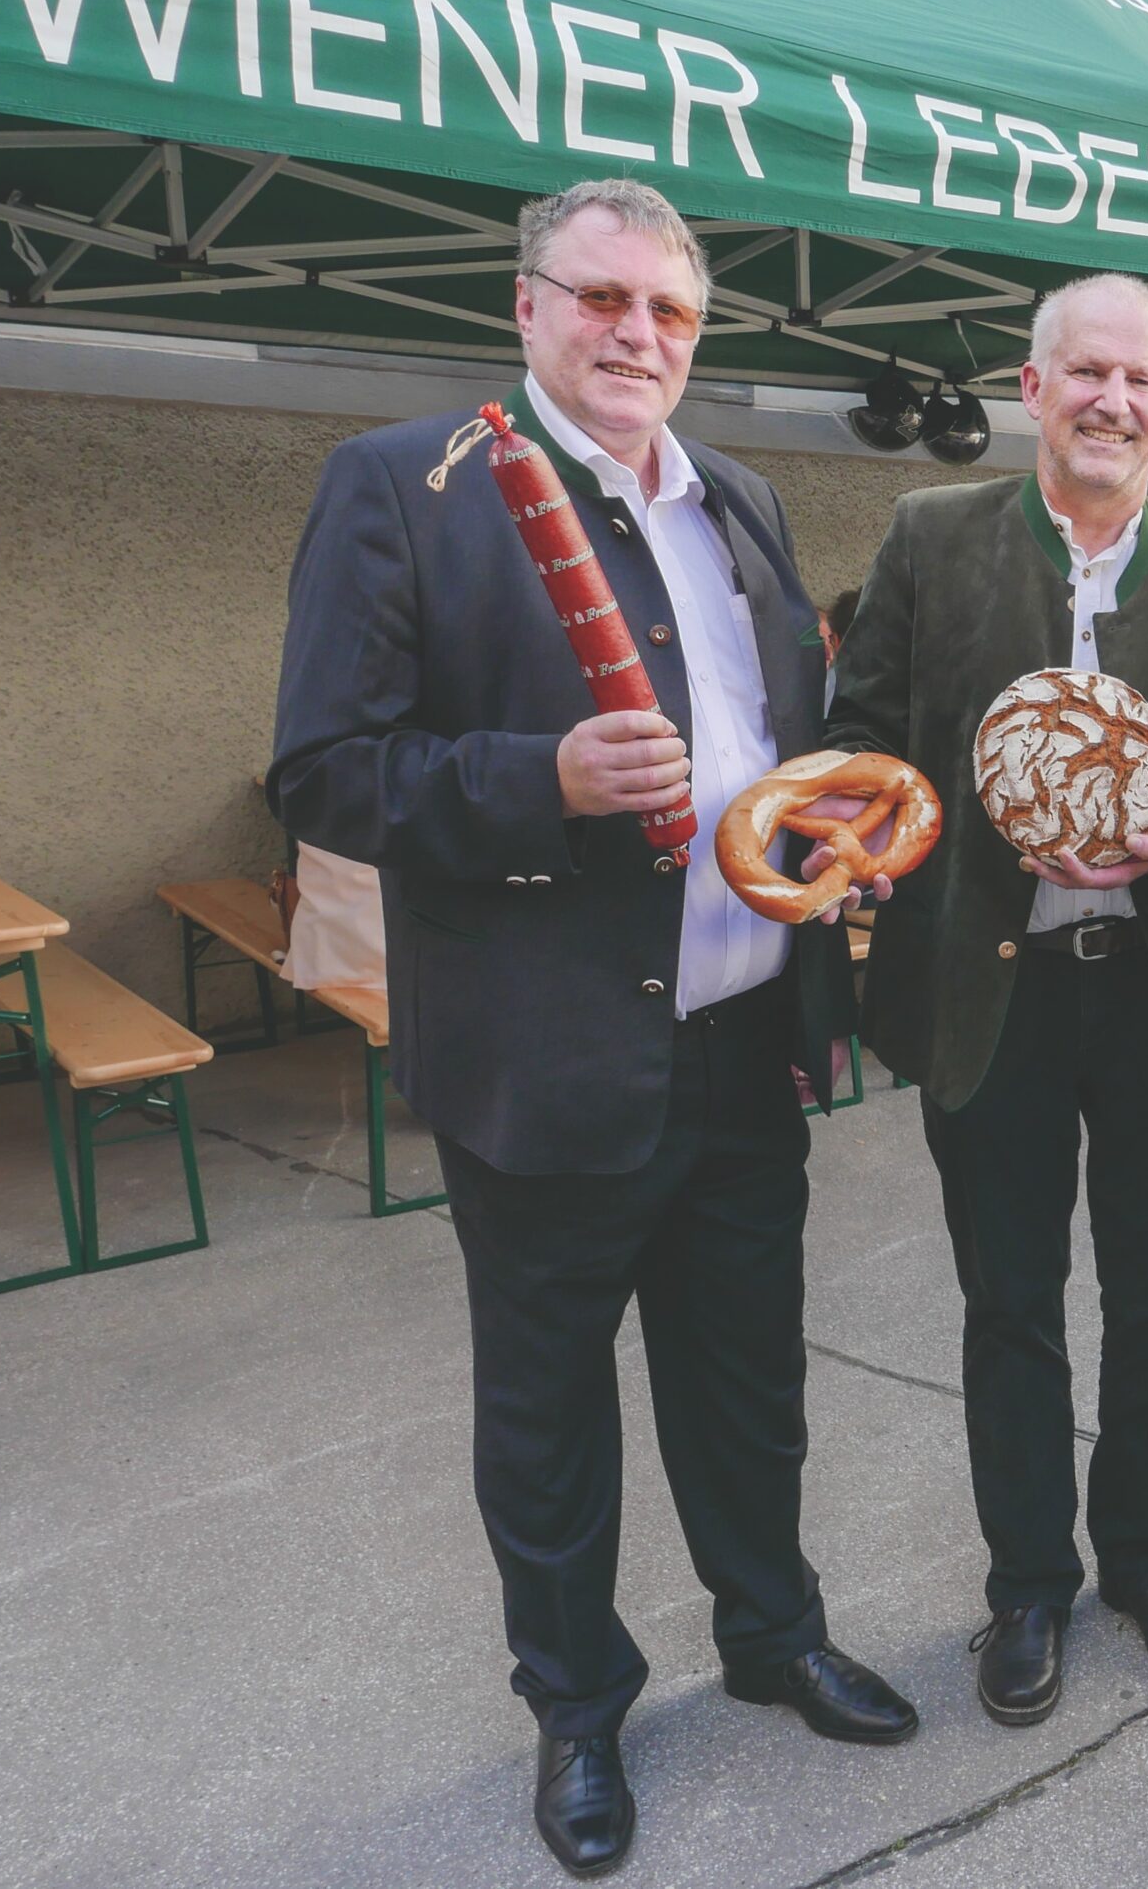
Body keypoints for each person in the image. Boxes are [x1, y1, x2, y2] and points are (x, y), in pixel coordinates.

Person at [268, 178, 915, 1879]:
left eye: (672, 314)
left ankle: (772, 1639)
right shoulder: (408, 487)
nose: (638, 336)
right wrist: (532, 780)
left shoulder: (744, 501)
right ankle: (576, 1707)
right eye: (604, 299)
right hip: (544, 1053)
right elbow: (325, 768)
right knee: (550, 1416)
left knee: (747, 1382)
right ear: (528, 307)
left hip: (742, 1032)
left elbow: (782, 744)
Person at [825, 273, 1148, 1728]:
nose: (1112, 401)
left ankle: (1146, 1558)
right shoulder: (931, 536)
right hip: (994, 990)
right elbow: (860, 740)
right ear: (1033, 389)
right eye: (1084, 372)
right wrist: (868, 852)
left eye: (1140, 381)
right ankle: (1025, 1580)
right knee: (1009, 1302)